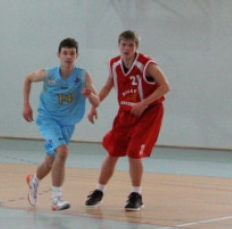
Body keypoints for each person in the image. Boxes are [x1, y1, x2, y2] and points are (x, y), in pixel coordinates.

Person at [86, 30, 171, 211]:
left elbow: (165, 86)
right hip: (126, 112)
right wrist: (95, 106)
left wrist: (143, 103)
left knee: (133, 151)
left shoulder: (147, 64)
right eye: (124, 44)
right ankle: (99, 190)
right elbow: (108, 85)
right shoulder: (114, 64)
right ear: (119, 46)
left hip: (149, 111)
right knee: (113, 151)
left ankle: (137, 195)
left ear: (136, 47)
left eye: (130, 45)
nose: (127, 48)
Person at [22, 38, 99, 210]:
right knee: (62, 152)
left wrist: (90, 97)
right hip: (48, 119)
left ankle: (34, 181)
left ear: (77, 55)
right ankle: (56, 199)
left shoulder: (83, 75)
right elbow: (28, 78)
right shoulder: (48, 74)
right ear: (59, 55)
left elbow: (97, 100)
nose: (68, 56)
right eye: (65, 53)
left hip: (68, 123)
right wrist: (26, 104)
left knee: (51, 160)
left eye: (72, 53)